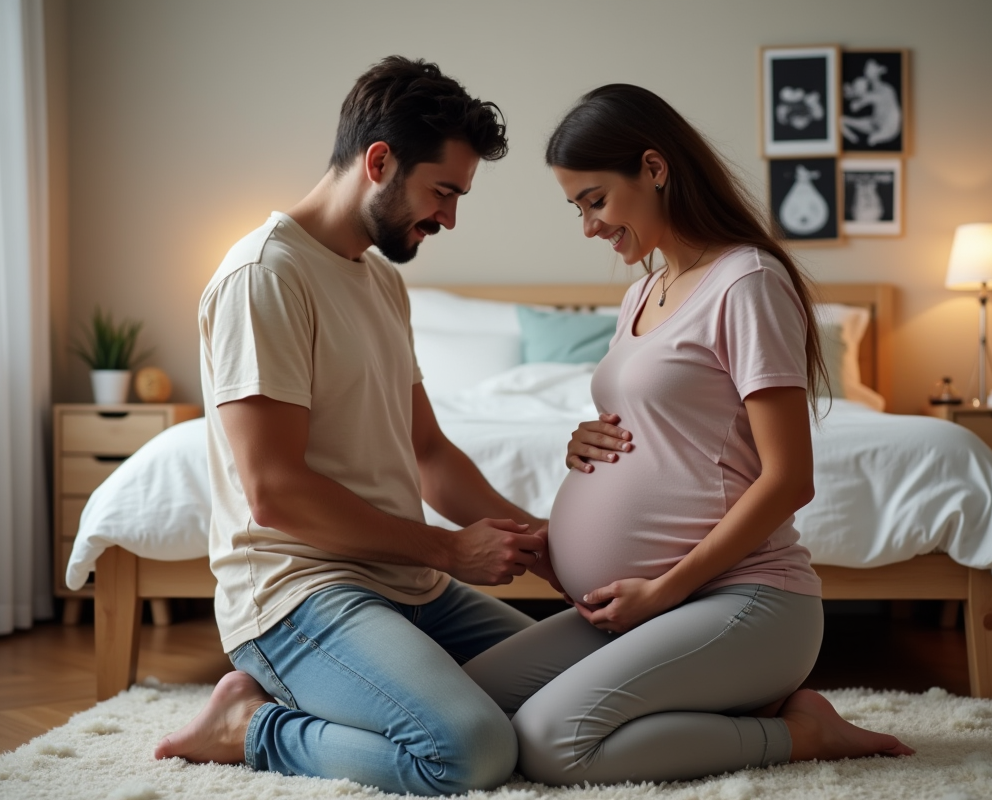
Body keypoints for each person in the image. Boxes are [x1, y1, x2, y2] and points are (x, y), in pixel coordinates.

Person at [463, 84, 914, 786]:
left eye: (595, 200)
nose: (588, 226)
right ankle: (709, 703)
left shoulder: (747, 282)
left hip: (746, 600)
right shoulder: (643, 291)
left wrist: (667, 590)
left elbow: (790, 478)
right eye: (576, 207)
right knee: (468, 709)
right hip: (636, 608)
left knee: (552, 742)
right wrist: (584, 448)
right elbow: (669, 422)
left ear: (654, 167)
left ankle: (801, 733)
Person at [153, 56, 561, 796]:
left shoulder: (381, 280)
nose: (449, 217)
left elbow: (429, 452)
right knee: (470, 752)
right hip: (297, 591)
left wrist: (543, 542)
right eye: (443, 191)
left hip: (405, 581)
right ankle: (246, 726)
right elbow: (275, 492)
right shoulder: (264, 276)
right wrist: (448, 547)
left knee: (577, 694)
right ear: (379, 162)